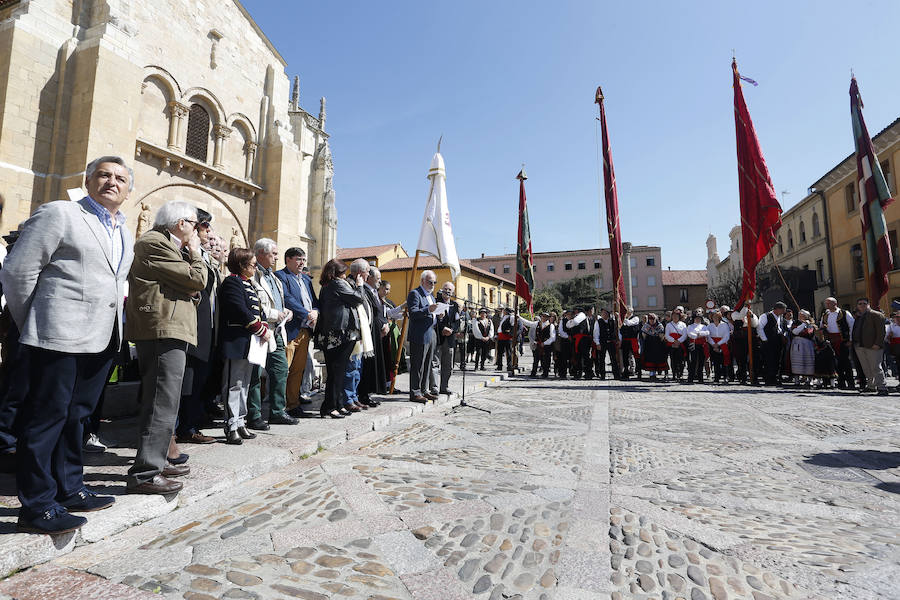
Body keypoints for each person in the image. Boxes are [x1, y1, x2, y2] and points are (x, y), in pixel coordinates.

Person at [0, 156, 135, 534]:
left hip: (102, 337)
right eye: (104, 175)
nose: (112, 182)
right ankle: (38, 504)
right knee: (46, 419)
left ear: (128, 189)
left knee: (77, 417)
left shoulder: (124, 229)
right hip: (56, 335)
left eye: (121, 178)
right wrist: (35, 321)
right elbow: (17, 271)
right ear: (89, 180)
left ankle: (70, 487)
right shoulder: (60, 213)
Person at [125, 201, 208, 495]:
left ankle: (156, 461)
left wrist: (189, 288)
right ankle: (145, 472)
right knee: (161, 400)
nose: (197, 231)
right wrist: (196, 255)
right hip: (162, 328)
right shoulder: (154, 242)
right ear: (181, 223)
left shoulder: (167, 245)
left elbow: (193, 289)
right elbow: (197, 279)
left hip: (169, 326)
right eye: (195, 224)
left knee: (165, 400)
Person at [176, 209, 219, 444]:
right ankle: (182, 428)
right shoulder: (185, 253)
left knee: (198, 380)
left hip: (205, 327)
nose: (208, 232)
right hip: (190, 326)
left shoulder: (201, 254)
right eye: (205, 227)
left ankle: (190, 424)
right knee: (187, 380)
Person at [218, 248, 269, 444]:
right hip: (236, 341)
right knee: (234, 385)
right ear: (241, 264)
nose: (255, 267)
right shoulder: (232, 282)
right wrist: (259, 328)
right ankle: (231, 425)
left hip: (250, 342)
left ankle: (240, 422)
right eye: (253, 264)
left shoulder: (250, 284)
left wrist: (263, 326)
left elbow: (258, 310)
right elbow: (239, 309)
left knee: (245, 385)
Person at [247, 238, 297, 429]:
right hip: (260, 330)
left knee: (280, 369)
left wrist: (287, 312)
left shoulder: (274, 277)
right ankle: (254, 414)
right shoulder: (253, 274)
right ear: (261, 253)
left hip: (276, 330)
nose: (277, 257)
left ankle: (277, 411)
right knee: (255, 374)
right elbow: (253, 305)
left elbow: (279, 302)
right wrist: (276, 313)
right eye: (273, 254)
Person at [316, 259, 365, 417]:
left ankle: (337, 403)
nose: (345, 275)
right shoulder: (337, 283)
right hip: (339, 334)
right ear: (336, 273)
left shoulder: (328, 284)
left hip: (337, 333)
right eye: (343, 272)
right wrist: (360, 285)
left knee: (338, 372)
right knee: (336, 372)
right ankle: (329, 407)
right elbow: (358, 298)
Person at [275, 247, 319, 418]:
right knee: (283, 369)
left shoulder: (306, 280)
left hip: (305, 330)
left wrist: (315, 311)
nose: (302, 263)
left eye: (304, 259)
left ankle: (293, 405)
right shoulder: (281, 276)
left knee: (298, 370)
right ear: (288, 259)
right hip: (290, 330)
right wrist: (306, 313)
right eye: (298, 259)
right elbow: (287, 299)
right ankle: (279, 406)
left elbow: (315, 301)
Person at [407, 270, 440, 402]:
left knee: (427, 364)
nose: (432, 284)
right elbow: (413, 313)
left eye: (434, 282)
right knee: (418, 365)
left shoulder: (431, 296)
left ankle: (424, 390)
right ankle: (415, 392)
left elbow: (432, 313)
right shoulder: (415, 294)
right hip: (419, 334)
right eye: (430, 282)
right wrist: (428, 310)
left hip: (431, 332)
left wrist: (438, 314)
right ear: (422, 281)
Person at [357, 265, 386, 406]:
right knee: (366, 366)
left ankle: (367, 394)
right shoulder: (366, 291)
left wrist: (384, 323)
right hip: (368, 332)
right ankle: (362, 394)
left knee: (372, 365)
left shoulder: (373, 292)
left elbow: (379, 312)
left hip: (375, 332)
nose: (379, 281)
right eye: (377, 278)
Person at [851, 297, 888, 395]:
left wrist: (877, 344)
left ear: (868, 304)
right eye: (860, 304)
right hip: (860, 346)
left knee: (876, 367)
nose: (862, 305)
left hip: (873, 346)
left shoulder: (876, 315)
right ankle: (871, 386)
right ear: (857, 306)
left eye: (864, 303)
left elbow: (881, 332)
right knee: (866, 368)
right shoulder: (858, 316)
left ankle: (882, 387)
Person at [820, 297, 856, 390]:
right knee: (836, 363)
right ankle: (841, 383)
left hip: (843, 340)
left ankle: (851, 383)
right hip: (831, 341)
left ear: (835, 303)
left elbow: (852, 326)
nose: (827, 305)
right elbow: (821, 326)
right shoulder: (825, 314)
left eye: (829, 303)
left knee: (846, 362)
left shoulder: (844, 313)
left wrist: (851, 340)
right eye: (826, 303)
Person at [434, 281, 461, 394]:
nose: (447, 291)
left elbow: (457, 321)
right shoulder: (435, 302)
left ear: (453, 292)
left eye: (450, 290)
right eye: (446, 288)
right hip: (437, 337)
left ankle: (444, 387)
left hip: (449, 339)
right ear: (442, 289)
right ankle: (434, 388)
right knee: (434, 363)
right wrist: (442, 328)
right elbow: (433, 319)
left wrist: (452, 330)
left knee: (448, 365)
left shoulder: (454, 305)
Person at [757, 301, 787, 386]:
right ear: (777, 309)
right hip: (768, 341)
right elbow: (760, 328)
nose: (783, 312)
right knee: (769, 360)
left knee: (778, 360)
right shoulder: (765, 316)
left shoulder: (780, 317)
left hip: (778, 341)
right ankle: (768, 378)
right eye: (782, 310)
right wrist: (764, 339)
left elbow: (781, 328)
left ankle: (775, 377)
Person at [789, 310, 817, 387]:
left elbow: (809, 333)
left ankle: (810, 380)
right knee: (797, 361)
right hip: (797, 344)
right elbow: (795, 332)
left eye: (801, 315)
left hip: (807, 344)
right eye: (799, 314)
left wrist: (807, 324)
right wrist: (803, 325)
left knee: (808, 361)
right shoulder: (795, 323)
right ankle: (797, 380)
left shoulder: (811, 324)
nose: (799, 316)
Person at [566, 307, 594, 379]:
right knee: (578, 357)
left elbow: (573, 323)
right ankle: (578, 373)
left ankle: (588, 373)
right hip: (578, 339)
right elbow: (568, 325)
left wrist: (570, 321)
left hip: (583, 339)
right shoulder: (577, 317)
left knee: (585, 357)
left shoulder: (581, 315)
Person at [593, 308, 620, 380]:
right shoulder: (598, 322)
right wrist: (597, 343)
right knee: (601, 359)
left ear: (608, 314)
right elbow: (596, 333)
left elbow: (616, 331)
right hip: (602, 342)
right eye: (602, 313)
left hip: (611, 342)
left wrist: (618, 340)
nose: (603, 314)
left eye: (604, 313)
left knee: (613, 359)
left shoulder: (613, 321)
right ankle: (602, 375)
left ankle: (616, 375)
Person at [640, 313, 668, 381]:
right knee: (650, 359)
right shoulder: (645, 326)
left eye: (653, 319)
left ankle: (664, 373)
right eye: (650, 319)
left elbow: (662, 336)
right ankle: (652, 374)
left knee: (660, 359)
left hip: (658, 345)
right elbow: (643, 336)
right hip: (649, 345)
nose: (652, 321)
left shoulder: (660, 326)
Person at [706, 310, 731, 384]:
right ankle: (716, 377)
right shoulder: (709, 326)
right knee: (715, 362)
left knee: (724, 361)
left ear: (720, 317)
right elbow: (708, 336)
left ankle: (726, 376)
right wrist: (713, 344)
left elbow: (726, 336)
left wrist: (718, 344)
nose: (715, 318)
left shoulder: (725, 325)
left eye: (717, 316)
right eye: (714, 316)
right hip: (713, 345)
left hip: (722, 344)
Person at [529, 312, 556, 378]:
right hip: (538, 344)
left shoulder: (551, 325)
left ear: (548, 318)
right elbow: (528, 323)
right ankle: (533, 372)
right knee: (536, 359)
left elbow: (553, 337)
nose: (543, 318)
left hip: (546, 345)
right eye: (542, 316)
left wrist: (545, 343)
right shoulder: (537, 324)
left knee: (546, 360)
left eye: (545, 316)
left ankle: (545, 373)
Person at [685, 312, 709, 383]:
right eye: (696, 318)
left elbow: (707, 332)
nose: (698, 320)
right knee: (693, 361)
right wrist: (697, 335)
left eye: (699, 318)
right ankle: (691, 377)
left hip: (702, 345)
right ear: (694, 319)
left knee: (701, 361)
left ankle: (700, 378)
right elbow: (689, 333)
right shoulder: (690, 326)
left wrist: (700, 333)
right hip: (694, 344)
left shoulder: (704, 326)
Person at [664, 310, 688, 381]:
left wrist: (679, 341)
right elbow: (667, 335)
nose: (675, 317)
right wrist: (673, 341)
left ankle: (680, 374)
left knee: (680, 360)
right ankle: (674, 374)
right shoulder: (669, 325)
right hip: (672, 344)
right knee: (673, 360)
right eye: (673, 316)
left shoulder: (683, 324)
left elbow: (685, 334)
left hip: (680, 344)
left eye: (676, 316)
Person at [619, 307, 641, 380]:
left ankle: (638, 371)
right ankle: (626, 371)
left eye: (627, 312)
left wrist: (623, 318)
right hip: (625, 340)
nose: (627, 313)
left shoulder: (635, 318)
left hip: (633, 340)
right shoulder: (625, 321)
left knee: (636, 356)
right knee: (625, 356)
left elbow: (630, 323)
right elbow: (621, 330)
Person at [886, 311, 900, 389]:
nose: (897, 319)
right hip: (897, 349)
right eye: (896, 317)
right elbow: (887, 339)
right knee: (898, 365)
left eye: (899, 317)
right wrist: (889, 336)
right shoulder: (892, 326)